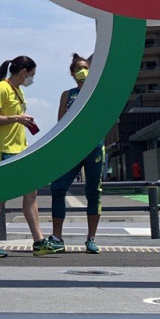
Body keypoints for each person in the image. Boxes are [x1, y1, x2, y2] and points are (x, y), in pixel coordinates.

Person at [0, 55, 55, 257]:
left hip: (19, 149)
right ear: (23, 72)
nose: (32, 79)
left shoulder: (17, 91)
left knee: (31, 193)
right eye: (32, 75)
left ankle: (39, 241)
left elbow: (11, 118)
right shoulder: (1, 88)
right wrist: (16, 118)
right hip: (1, 149)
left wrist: (23, 121)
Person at [44, 53, 103, 254]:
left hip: (93, 146)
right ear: (72, 73)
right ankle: (57, 237)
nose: (83, 71)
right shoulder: (67, 95)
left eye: (86, 67)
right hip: (70, 148)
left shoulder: (97, 91)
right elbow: (61, 121)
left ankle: (91, 238)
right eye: (79, 68)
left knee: (93, 192)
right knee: (58, 188)